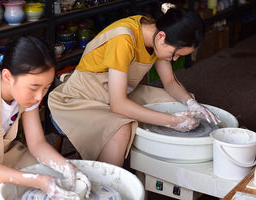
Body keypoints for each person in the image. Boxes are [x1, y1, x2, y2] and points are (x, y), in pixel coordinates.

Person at [48, 2, 220, 167]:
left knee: (181, 106)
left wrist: (191, 102)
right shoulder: (124, 39)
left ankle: (161, 163)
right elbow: (119, 105)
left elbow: (170, 82)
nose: (174, 59)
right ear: (161, 37)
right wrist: (172, 121)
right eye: (175, 54)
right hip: (82, 96)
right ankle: (106, 184)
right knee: (121, 128)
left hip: (117, 91)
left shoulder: (158, 33)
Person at [0, 36, 91, 200]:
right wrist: (38, 181)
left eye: (46, 88)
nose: (39, 96)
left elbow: (37, 143)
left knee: (51, 173)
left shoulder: (26, 95)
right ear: (7, 76)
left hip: (3, 149)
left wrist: (67, 167)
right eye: (34, 88)